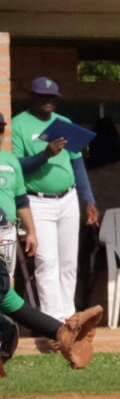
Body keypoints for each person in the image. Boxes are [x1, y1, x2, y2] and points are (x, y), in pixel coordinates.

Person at [10, 77, 100, 322]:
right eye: (43, 96)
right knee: (46, 262)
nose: (49, 101)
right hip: (37, 202)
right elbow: (16, 167)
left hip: (68, 199)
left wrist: (88, 200)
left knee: (68, 262)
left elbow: (77, 163)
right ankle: (53, 323)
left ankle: (69, 319)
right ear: (32, 96)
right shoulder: (18, 124)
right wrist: (45, 155)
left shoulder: (64, 123)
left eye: (53, 97)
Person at [0, 112, 39, 276]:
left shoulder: (11, 161)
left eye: (0, 130)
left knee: (4, 281)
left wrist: (31, 233)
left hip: (6, 231)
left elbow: (21, 201)